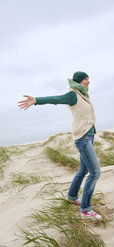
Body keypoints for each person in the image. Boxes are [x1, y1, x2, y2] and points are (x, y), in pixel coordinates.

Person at [18, 71, 101, 220]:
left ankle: (72, 196)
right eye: (86, 79)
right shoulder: (73, 95)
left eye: (89, 79)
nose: (89, 82)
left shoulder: (83, 95)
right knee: (95, 173)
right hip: (83, 138)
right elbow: (56, 99)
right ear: (79, 81)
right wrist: (36, 100)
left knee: (83, 169)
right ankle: (85, 210)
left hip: (89, 136)